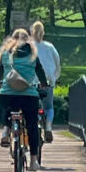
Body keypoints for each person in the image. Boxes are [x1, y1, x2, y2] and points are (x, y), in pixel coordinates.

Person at [0, 27, 49, 170]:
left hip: (8, 93)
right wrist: (44, 84)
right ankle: (34, 161)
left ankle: (6, 130)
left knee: (7, 104)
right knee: (32, 124)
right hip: (28, 95)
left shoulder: (5, 54)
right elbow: (40, 72)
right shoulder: (32, 55)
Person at [29, 20, 61, 157]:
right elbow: (57, 64)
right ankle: (48, 126)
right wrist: (54, 78)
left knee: (30, 106)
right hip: (47, 82)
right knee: (48, 107)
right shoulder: (50, 47)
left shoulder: (28, 46)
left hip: (30, 82)